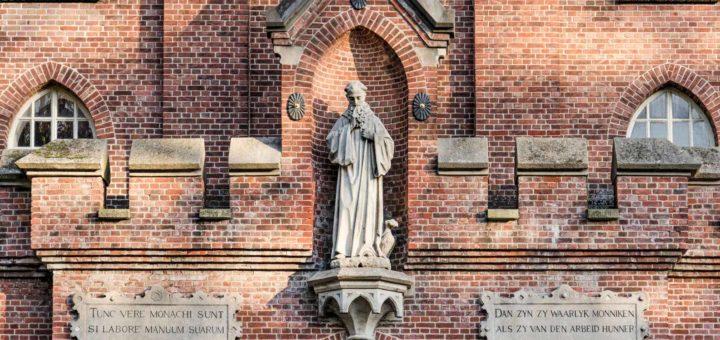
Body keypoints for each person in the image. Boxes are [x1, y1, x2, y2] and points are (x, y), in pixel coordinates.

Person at [326, 81, 395, 268]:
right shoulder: (343, 120)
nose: (355, 102)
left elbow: (388, 145)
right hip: (349, 171)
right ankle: (344, 250)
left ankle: (368, 247)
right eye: (352, 99)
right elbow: (331, 143)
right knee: (347, 204)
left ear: (364, 97)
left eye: (359, 98)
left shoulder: (373, 119)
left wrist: (373, 136)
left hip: (368, 175)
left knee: (368, 205)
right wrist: (347, 130)